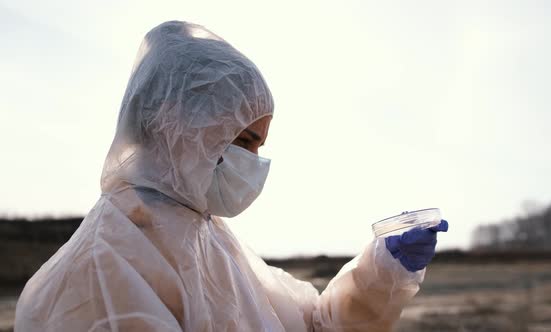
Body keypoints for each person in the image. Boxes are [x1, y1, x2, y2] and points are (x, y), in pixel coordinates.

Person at [14, 21, 448, 332]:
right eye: (241, 139)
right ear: (176, 125)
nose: (254, 162)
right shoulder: (102, 268)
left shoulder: (207, 238)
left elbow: (313, 324)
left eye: (259, 144)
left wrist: (383, 270)